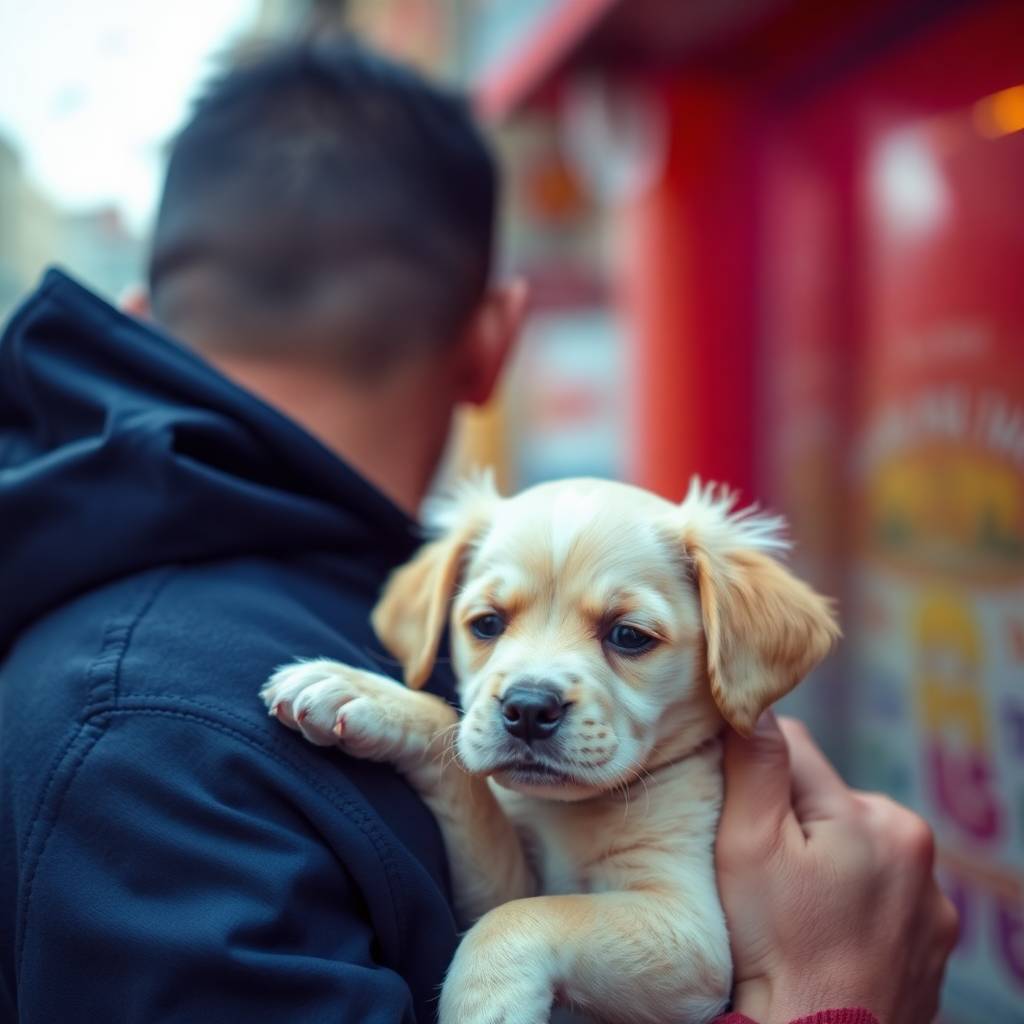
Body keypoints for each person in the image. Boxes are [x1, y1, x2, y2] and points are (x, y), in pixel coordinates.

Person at [0, 39, 956, 1024]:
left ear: (141, 317)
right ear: (496, 339)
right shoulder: (147, 733)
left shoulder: (281, 624)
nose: (527, 676)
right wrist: (831, 1004)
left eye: (625, 635)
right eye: (489, 625)